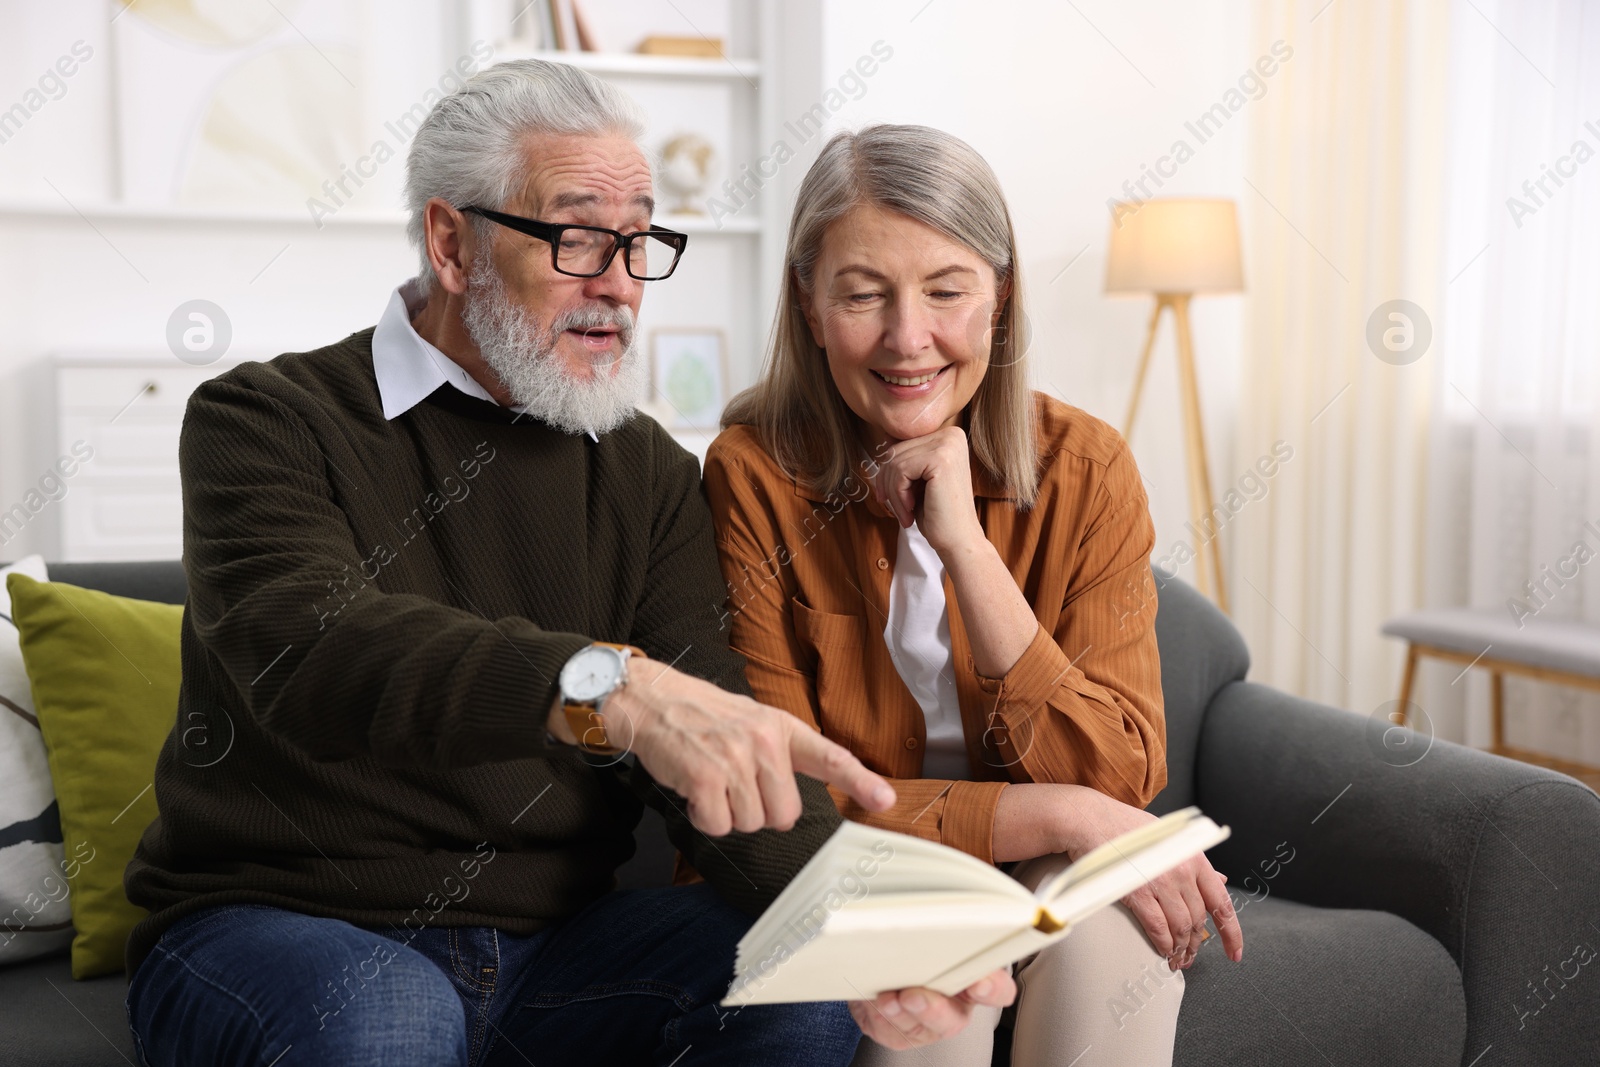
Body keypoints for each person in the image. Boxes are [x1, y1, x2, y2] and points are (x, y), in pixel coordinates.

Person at [122, 64, 1012, 1067]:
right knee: (382, 1020)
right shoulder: (266, 420)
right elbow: (312, 648)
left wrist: (868, 933)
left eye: (638, 241)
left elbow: (713, 742)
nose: (621, 282)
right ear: (452, 242)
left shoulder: (646, 473)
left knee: (796, 980)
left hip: (558, 952)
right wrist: (604, 687)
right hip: (281, 926)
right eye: (579, 235)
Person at [703, 124, 1246, 1065]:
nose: (908, 338)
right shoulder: (751, 477)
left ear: (1000, 296)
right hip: (861, 874)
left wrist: (967, 550)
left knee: (1116, 950)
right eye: (863, 294)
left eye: (947, 290)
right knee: (936, 1006)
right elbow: (783, 802)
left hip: (1045, 870)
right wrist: (1066, 816)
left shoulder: (1088, 468)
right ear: (809, 302)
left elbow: (1118, 773)